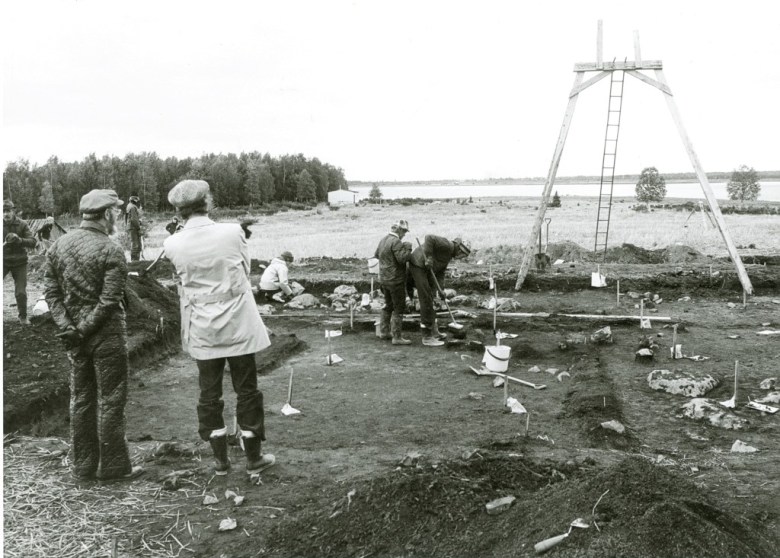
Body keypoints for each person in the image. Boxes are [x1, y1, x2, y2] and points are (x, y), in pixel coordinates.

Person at [163, 179, 275, 478]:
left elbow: (181, 281)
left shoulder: (171, 243)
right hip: (238, 323)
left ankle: (221, 461)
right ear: (207, 203)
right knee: (247, 391)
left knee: (208, 394)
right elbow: (245, 269)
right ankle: (253, 457)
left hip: (202, 327)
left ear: (178, 211)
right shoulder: (232, 231)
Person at [43, 189, 143, 481]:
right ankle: (113, 467)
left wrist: (68, 327)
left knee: (82, 399)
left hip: (74, 337)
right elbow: (109, 300)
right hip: (106, 334)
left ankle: (83, 467)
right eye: (116, 212)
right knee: (111, 400)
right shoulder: (111, 249)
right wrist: (84, 329)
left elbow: (51, 292)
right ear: (108, 214)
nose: (118, 217)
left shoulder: (58, 245)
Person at [407, 235, 471, 346]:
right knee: (426, 299)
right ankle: (426, 337)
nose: (460, 257)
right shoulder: (446, 244)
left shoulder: (448, 256)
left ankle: (434, 331)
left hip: (427, 269)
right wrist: (430, 257)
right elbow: (429, 238)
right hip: (418, 265)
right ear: (459, 248)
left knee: (434, 299)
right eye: (462, 254)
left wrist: (441, 290)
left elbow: (440, 273)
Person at [374, 220, 413, 345]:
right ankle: (397, 337)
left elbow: (376, 255)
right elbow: (402, 259)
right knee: (398, 308)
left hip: (384, 279)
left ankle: (384, 332)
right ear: (399, 230)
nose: (404, 234)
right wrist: (407, 248)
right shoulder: (396, 241)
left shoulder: (383, 239)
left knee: (388, 305)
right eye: (404, 231)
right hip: (395, 280)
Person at [3, 200, 37, 325]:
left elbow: (33, 242)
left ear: (13, 211)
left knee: (21, 291)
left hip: (19, 262)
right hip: (3, 261)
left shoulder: (22, 224)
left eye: (8, 211)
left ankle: (23, 317)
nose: (6, 214)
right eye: (3, 211)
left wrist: (20, 240)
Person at [125, 195, 142, 261]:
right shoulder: (133, 207)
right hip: (133, 227)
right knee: (135, 245)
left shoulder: (129, 206)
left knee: (135, 244)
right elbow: (134, 219)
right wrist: (138, 227)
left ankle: (135, 261)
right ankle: (135, 261)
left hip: (131, 227)